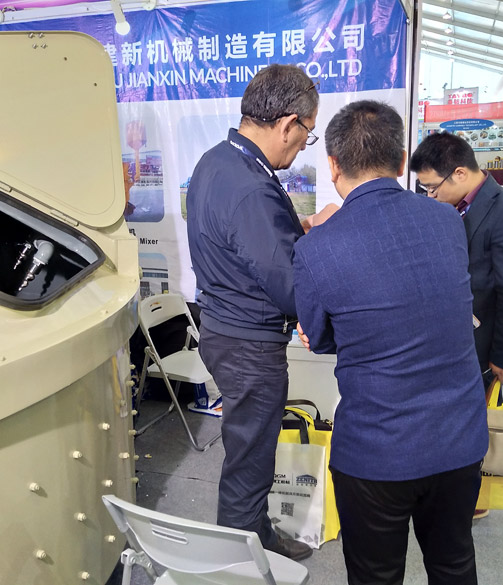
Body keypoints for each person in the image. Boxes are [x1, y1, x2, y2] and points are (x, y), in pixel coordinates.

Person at [293, 100, 488, 585]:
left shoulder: (316, 247)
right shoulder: (447, 222)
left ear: (333, 165)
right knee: (454, 563)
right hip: (459, 437)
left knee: (375, 576)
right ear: (402, 161)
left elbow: (320, 338)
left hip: (376, 450)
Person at [185, 64, 324, 561]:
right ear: (287, 124)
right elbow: (288, 286)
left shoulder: (217, 161)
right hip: (249, 343)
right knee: (251, 457)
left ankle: (254, 534)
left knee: (250, 447)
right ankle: (242, 558)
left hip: (225, 328)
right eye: (306, 134)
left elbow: (243, 243)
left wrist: (299, 226)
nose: (302, 146)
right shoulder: (251, 187)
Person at [410, 132, 503, 391]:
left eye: (433, 187)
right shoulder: (454, 204)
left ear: (459, 173)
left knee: (480, 407)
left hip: (479, 345)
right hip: (446, 337)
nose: (430, 196)